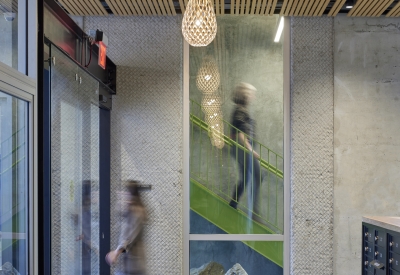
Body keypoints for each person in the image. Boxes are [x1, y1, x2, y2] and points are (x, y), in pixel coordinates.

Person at [228, 82, 261, 220]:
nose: (252, 96)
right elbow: (240, 133)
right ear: (244, 94)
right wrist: (251, 150)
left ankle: (234, 205)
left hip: (242, 149)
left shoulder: (242, 110)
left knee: (251, 178)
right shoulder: (240, 111)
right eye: (250, 93)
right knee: (255, 177)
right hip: (242, 149)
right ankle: (253, 212)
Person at [105, 180, 147, 275]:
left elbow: (130, 236)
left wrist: (116, 252)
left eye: (125, 192)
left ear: (131, 194)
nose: (123, 195)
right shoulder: (130, 210)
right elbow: (120, 215)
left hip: (134, 266)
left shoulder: (137, 212)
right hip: (128, 265)